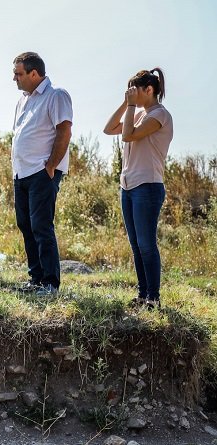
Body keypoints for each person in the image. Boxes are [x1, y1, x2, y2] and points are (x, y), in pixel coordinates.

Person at [103, 68, 173, 309]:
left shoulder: (160, 115)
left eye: (135, 90)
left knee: (146, 244)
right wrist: (126, 104)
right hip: (129, 186)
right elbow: (109, 128)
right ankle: (143, 295)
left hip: (148, 185)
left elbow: (128, 136)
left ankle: (154, 298)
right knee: (135, 244)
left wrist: (132, 107)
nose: (131, 94)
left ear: (149, 90)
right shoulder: (137, 113)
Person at [11, 52, 72, 296]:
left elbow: (64, 131)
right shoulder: (22, 101)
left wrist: (50, 166)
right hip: (22, 173)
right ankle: (35, 279)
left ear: (34, 73)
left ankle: (50, 283)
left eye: (18, 73)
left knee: (41, 225)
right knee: (25, 224)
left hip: (41, 172)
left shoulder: (56, 95)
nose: (14, 78)